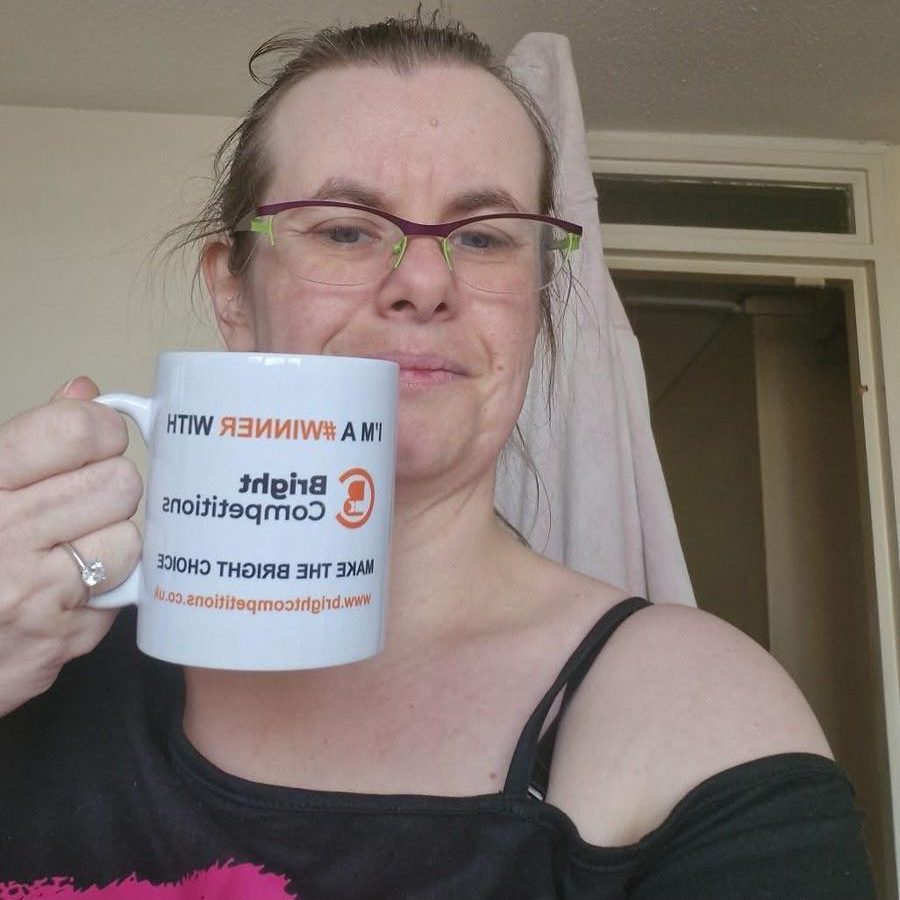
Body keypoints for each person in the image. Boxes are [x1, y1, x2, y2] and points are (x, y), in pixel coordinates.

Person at [0, 12, 876, 898]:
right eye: (345, 229)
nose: (423, 283)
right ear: (233, 291)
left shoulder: (698, 716)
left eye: (485, 236)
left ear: (537, 298)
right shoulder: (32, 651)